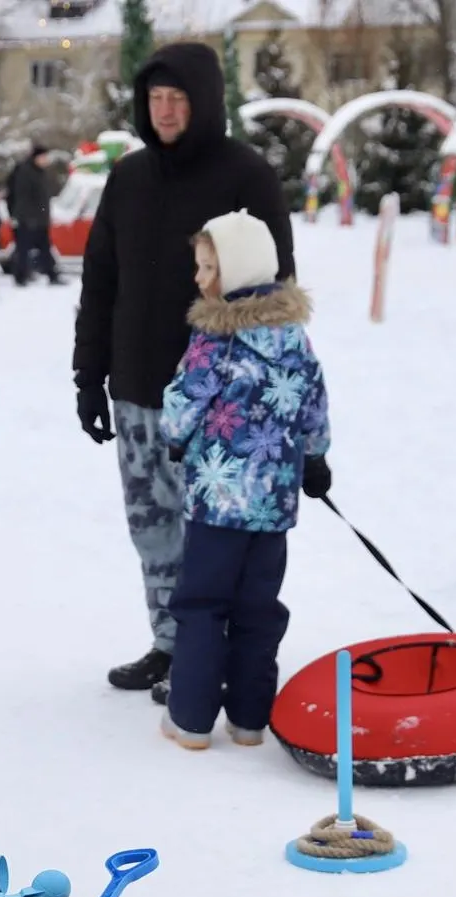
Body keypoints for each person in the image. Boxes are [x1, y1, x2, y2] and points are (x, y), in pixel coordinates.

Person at [71, 42, 296, 699]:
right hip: (138, 394)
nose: (164, 111)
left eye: (177, 99)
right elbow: (101, 281)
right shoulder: (129, 177)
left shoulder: (245, 175)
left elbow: (274, 290)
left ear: (203, 104)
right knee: (153, 530)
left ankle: (211, 654)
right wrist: (90, 377)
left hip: (217, 404)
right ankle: (171, 646)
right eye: (155, 99)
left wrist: (262, 390)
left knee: (211, 536)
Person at [157, 210, 327, 749]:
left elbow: (183, 402)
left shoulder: (215, 340)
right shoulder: (294, 339)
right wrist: (316, 458)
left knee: (203, 604)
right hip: (273, 506)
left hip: (217, 503)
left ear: (235, 273)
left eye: (208, 267)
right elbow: (314, 403)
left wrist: (176, 436)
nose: (199, 278)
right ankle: (251, 718)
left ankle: (189, 719)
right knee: (259, 609)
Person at [6, 143, 61, 286]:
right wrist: (27, 217)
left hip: (40, 218)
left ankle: (51, 275)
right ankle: (20, 277)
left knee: (44, 248)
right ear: (36, 157)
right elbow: (23, 196)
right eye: (44, 157)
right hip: (28, 219)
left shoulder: (40, 172)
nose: (46, 160)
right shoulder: (26, 172)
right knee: (23, 249)